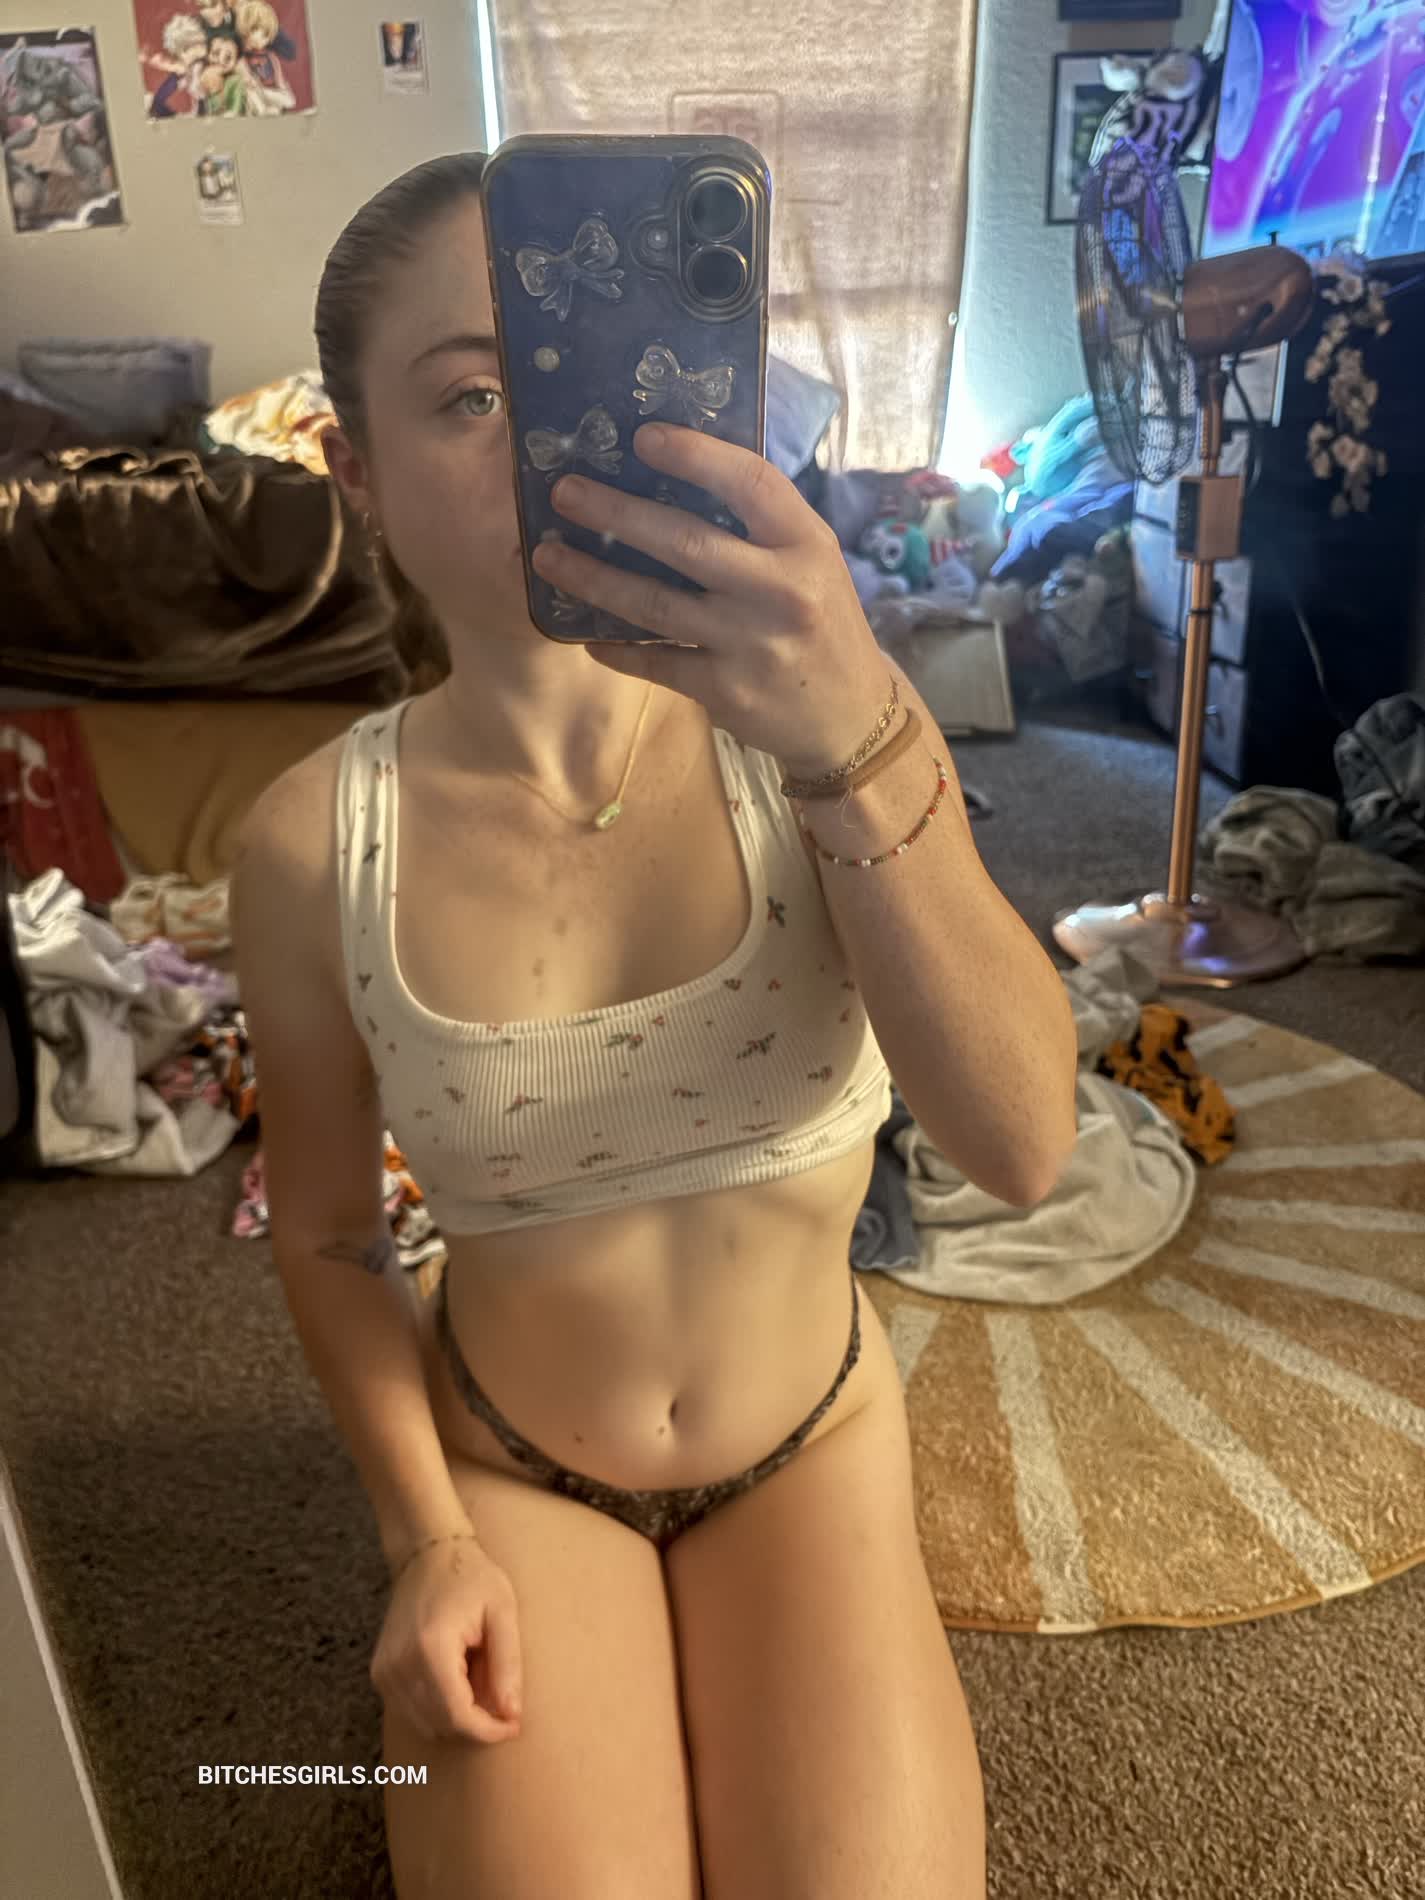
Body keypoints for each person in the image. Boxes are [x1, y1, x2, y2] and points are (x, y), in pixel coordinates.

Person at [232, 152, 993, 1898]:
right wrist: (423, 1540)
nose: (545, 442)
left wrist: (856, 740)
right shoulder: (308, 844)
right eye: (468, 395)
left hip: (811, 1437)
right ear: (357, 471)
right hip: (509, 1462)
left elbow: (1020, 1145)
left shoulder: (820, 725)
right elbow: (333, 1236)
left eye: (580, 365)